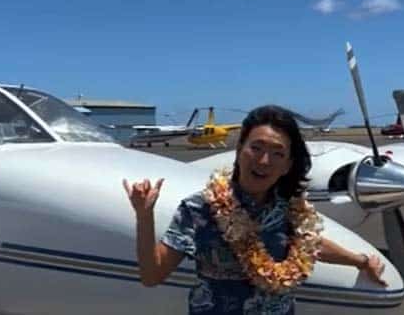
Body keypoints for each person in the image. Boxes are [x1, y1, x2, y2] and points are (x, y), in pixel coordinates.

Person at [123, 105, 387, 314]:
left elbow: (310, 243)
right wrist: (144, 217)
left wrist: (361, 261)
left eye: (277, 153)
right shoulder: (200, 208)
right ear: (239, 151)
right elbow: (152, 275)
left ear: (287, 165)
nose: (263, 160)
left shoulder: (290, 208)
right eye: (256, 148)